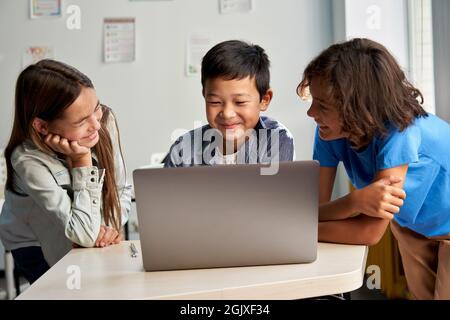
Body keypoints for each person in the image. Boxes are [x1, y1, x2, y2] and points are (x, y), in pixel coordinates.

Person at [297, 38, 450, 300]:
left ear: (359, 108)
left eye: (322, 105)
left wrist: (292, 232)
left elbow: (367, 232)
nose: (311, 112)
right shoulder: (327, 132)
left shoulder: (401, 134)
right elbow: (314, 209)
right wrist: (353, 202)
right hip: (414, 227)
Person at [0, 59, 132, 284]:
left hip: (82, 230)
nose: (96, 125)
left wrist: (108, 228)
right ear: (42, 126)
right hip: (35, 244)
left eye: (96, 108)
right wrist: (82, 160)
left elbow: (121, 189)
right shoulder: (26, 160)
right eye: (82, 121)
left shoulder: (104, 122)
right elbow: (83, 234)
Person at [164, 40, 294, 167]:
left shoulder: (276, 138)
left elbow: (271, 187)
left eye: (240, 102)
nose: (227, 114)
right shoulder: (183, 147)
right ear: (204, 96)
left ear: (264, 100)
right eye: (215, 102)